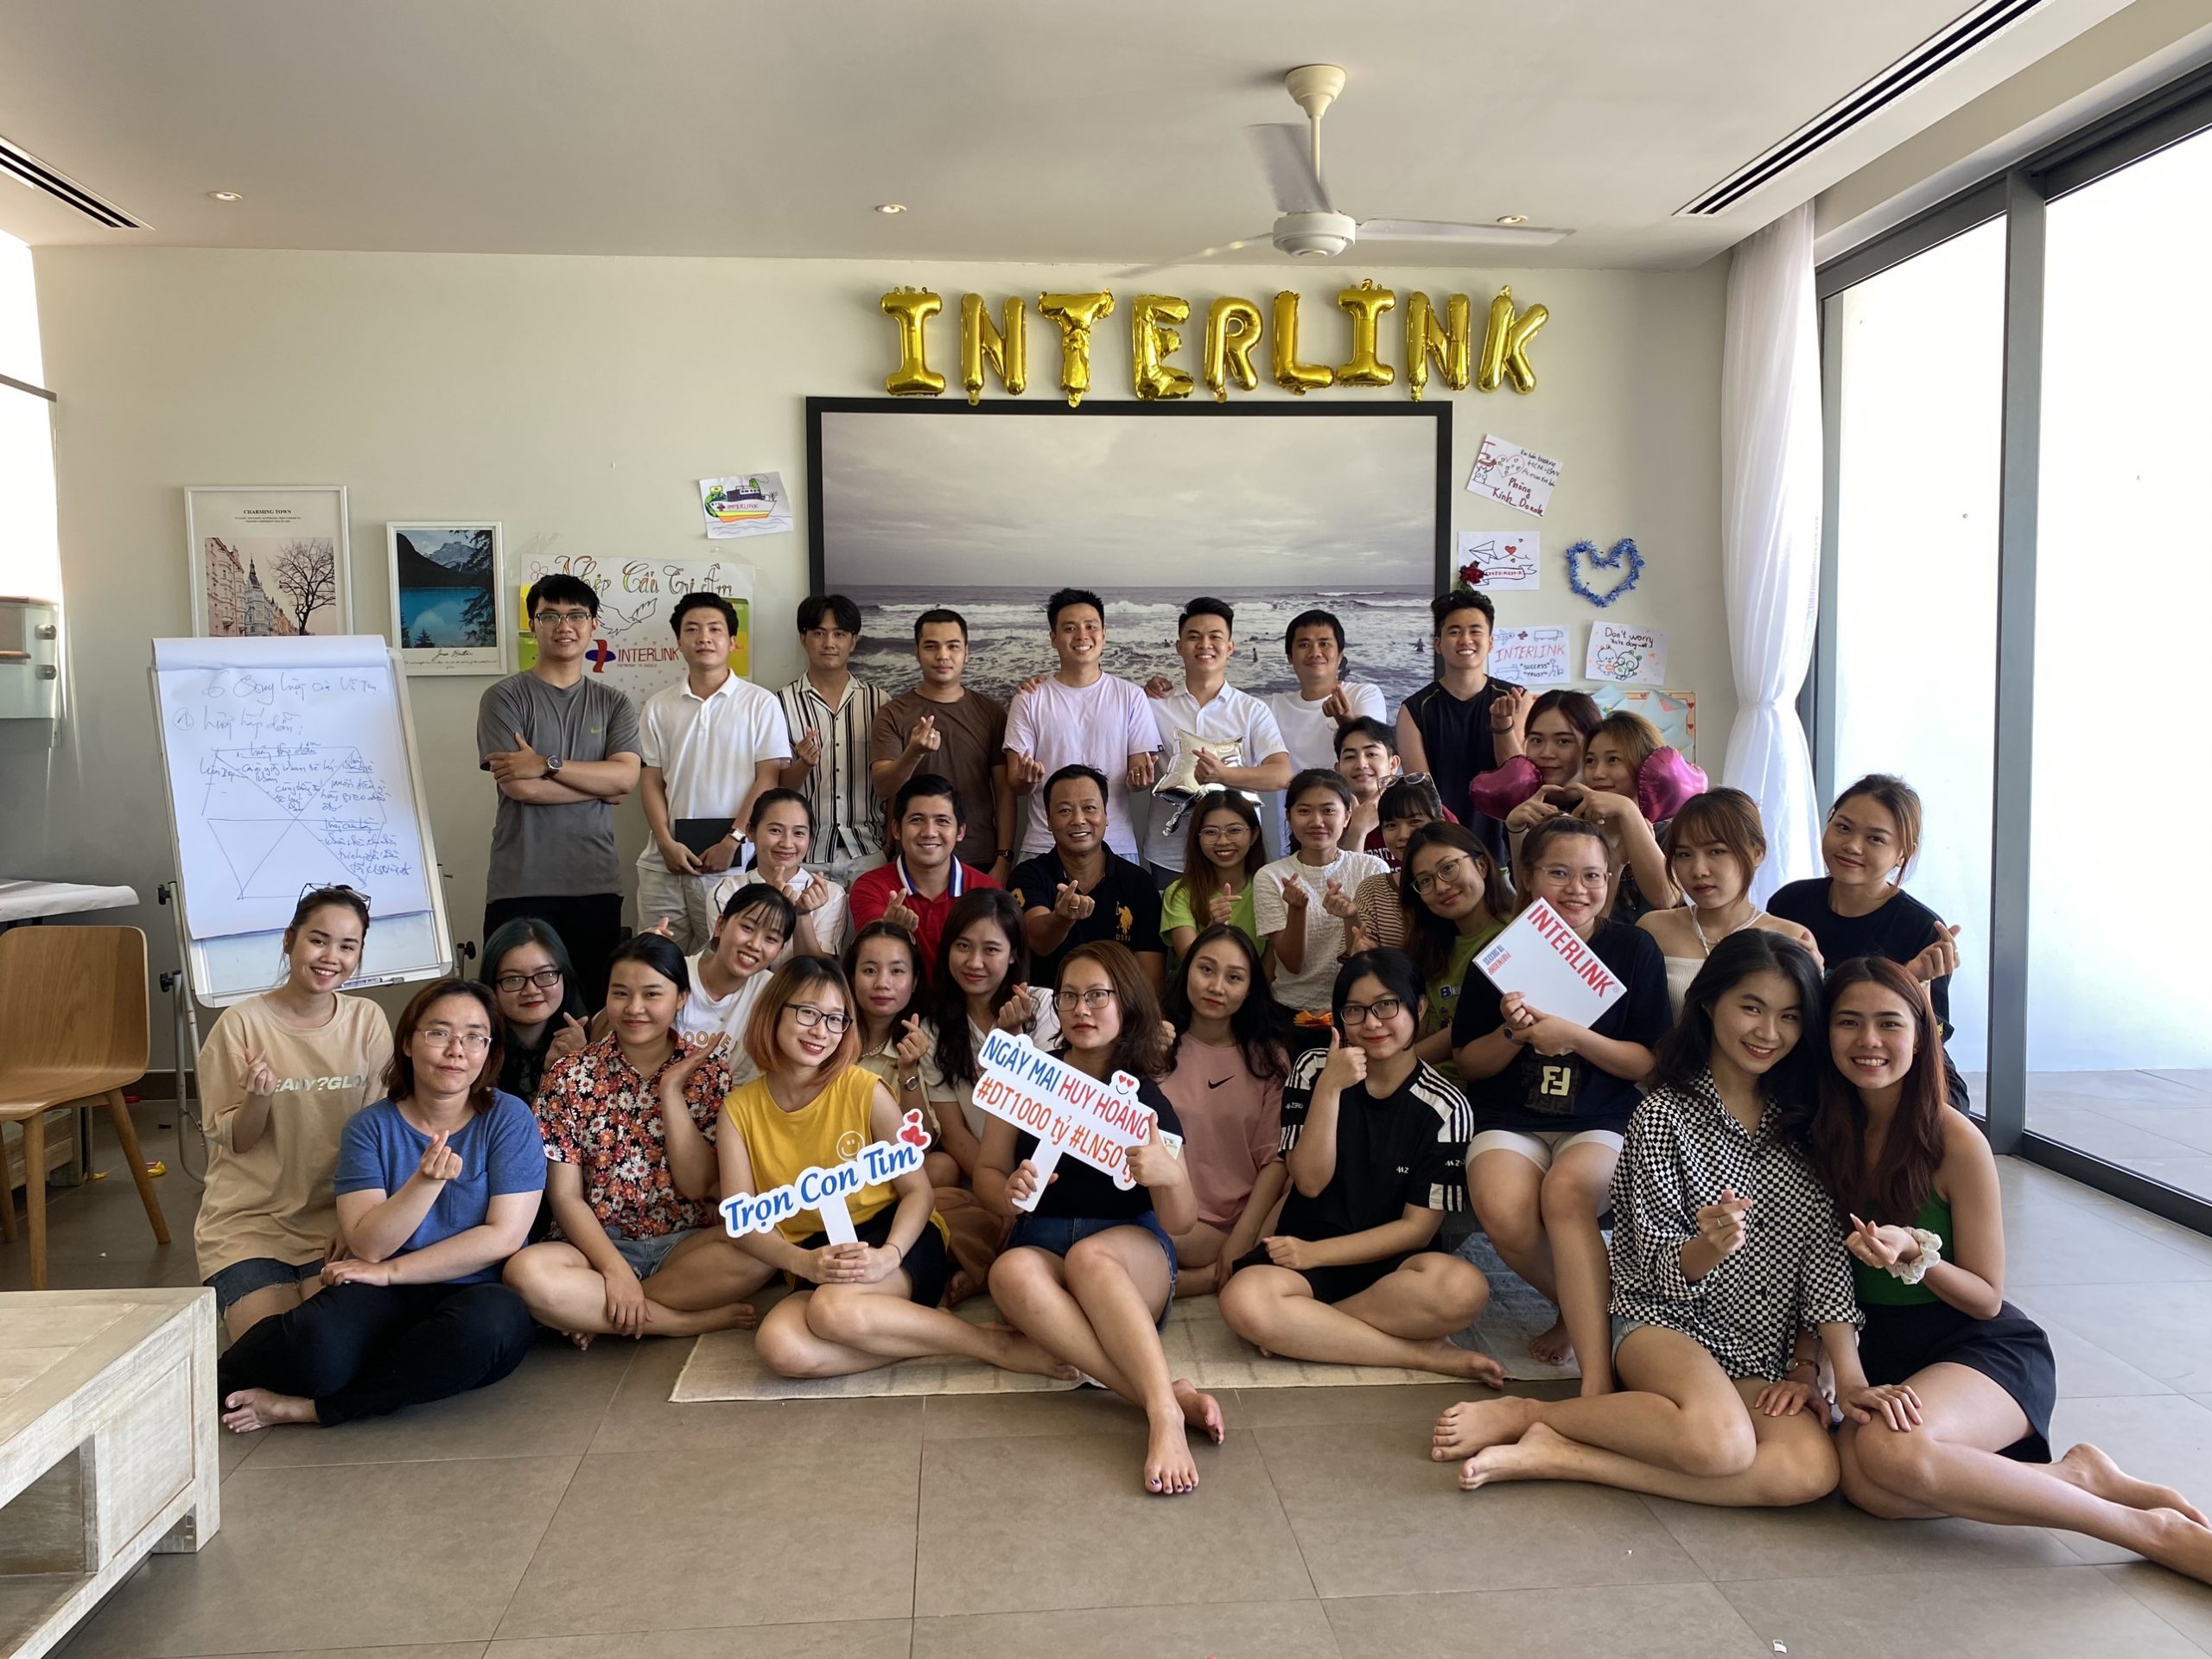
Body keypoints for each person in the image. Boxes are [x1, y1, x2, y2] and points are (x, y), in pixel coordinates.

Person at [1432, 931, 1900, 1505]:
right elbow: (1653, 1267)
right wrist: (1708, 1247)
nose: (1768, 1032)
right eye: (1751, 1007)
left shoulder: (1812, 1123)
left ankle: (1564, 1455)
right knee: (1720, 1445)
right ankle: (1531, 1413)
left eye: (1790, 1016)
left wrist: (1836, 1374)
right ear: (1710, 1003)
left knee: (1807, 1470)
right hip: (1665, 1324)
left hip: (1762, 1344)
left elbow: (1824, 1261)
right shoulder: (1661, 1115)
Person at [1809, 958, 2212, 1578]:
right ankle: (2076, 1476)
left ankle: (2150, 1533)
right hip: (1882, 1350)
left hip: (1978, 1347)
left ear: (1921, 1037)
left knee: (1889, 1456)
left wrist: (1917, 1255)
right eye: (1848, 1022)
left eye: (1889, 1023)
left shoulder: (1953, 1140)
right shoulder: (1819, 1134)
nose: (1869, 1041)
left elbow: (1986, 1298)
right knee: (1870, 1488)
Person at [719, 957, 1074, 1382]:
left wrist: (889, 1255)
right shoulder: (737, 1110)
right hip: (817, 1254)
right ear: (773, 1012)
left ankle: (988, 1345)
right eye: (808, 1013)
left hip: (898, 1237)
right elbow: (742, 1224)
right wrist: (804, 1263)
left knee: (831, 1311)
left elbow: (918, 1192)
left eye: (835, 1019)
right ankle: (919, 1334)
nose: (821, 1031)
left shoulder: (863, 1089)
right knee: (779, 1347)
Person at [216, 980, 543, 1432]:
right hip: (382, 1292)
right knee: (314, 1347)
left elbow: (504, 1236)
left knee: (489, 1329)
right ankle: (191, 1382)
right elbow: (369, 1244)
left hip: (473, 1292)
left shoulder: (509, 1118)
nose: (456, 1050)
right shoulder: (369, 1128)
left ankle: (313, 1410)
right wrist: (424, 1184)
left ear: (489, 1051)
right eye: (439, 1033)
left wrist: (392, 1272)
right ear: (407, 1042)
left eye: (475, 1037)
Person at [980, 944, 1223, 1496]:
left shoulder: (1145, 1099)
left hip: (1131, 1256)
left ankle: (1163, 1417)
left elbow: (1181, 1222)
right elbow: (988, 1175)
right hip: (1043, 1243)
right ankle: (1163, 1397)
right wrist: (1008, 1193)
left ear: (1125, 1004)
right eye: (1069, 996)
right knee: (1009, 1272)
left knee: (1092, 1259)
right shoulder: (1028, 1077)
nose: (1081, 1009)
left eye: (1097, 996)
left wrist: (1169, 1174)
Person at [1452, 817, 1669, 1386]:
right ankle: (1589, 1312)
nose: (1578, 889)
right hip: (1511, 1117)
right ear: (1528, 876)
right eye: (1559, 873)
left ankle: (1593, 1362)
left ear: (1610, 880)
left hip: (1602, 1117)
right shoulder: (1502, 952)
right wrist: (1512, 1033)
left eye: (1593, 875)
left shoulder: (1633, 947)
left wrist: (1573, 1036)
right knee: (1503, 1209)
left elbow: (1648, 1064)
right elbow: (1469, 1064)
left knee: (1566, 1193)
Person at [1218, 950, 1502, 1380]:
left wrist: (1315, 1255)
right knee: (1243, 1301)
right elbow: (1309, 1182)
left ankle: (1307, 1327)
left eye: (1386, 1005)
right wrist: (1330, 1089)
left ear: (1418, 1008)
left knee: (1465, 1290)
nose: (1371, 1023)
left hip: (1390, 1267)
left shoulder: (1447, 1106)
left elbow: (1416, 1230)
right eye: (1354, 1010)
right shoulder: (1314, 1068)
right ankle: (1421, 1355)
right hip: (1303, 1252)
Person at [505, 936, 765, 1344]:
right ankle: (678, 1322)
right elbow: (565, 1197)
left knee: (762, 1248)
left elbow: (699, 1185)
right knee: (525, 1274)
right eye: (621, 993)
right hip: (593, 1247)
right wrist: (614, 1270)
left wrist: (671, 1091)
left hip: (684, 1243)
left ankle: (598, 1313)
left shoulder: (709, 1072)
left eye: (652, 994)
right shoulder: (570, 1075)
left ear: (681, 998)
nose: (634, 1008)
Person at [194, 887, 393, 1342]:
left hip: (339, 1219)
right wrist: (258, 1098)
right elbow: (239, 1141)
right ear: (289, 940)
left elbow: (378, 1137)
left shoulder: (367, 1020)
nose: (331, 957)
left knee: (329, 1345)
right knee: (274, 1350)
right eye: (318, 940)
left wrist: (356, 1223)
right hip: (249, 1223)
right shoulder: (240, 1023)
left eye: (347, 946)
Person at [478, 574, 642, 1006]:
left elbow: (627, 779)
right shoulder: (504, 698)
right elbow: (521, 789)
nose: (563, 626)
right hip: (521, 884)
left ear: (593, 624)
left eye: (576, 615)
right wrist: (601, 787)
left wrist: (545, 764)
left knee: (592, 1012)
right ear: (533, 625)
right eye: (549, 615)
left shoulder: (614, 703)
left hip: (594, 882)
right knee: (513, 1011)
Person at [1769, 774, 1971, 1111]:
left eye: (1875, 838)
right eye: (1843, 828)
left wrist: (1911, 981)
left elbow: (1931, 1041)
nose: (1852, 845)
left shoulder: (1922, 930)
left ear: (1903, 853)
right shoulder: (1790, 903)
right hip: (1811, 1059)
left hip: (1889, 1071)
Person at [635, 591, 791, 952]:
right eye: (692, 629)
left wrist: (733, 840)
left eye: (714, 629)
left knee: (724, 961)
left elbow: (768, 779)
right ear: (679, 641)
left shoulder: (760, 703)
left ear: (733, 641)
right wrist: (665, 843)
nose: (703, 637)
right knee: (656, 961)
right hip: (665, 864)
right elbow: (651, 781)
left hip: (732, 865)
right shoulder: (658, 707)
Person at [1158, 925, 1293, 1295]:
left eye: (1234, 977)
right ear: (1186, 970)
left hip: (1239, 1222)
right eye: (1206, 969)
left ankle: (1224, 1265)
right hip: (1168, 1214)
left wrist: (1243, 1237)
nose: (1216, 987)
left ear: (1249, 989)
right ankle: (1210, 1278)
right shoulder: (1155, 1045)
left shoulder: (1269, 1058)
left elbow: (1274, 1161)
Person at [1139, 597, 1291, 884]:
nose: (1204, 644)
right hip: (1170, 855)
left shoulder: (1252, 710)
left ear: (1230, 647)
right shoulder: (1152, 705)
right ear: (1179, 646)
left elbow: (1281, 774)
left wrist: (1224, 775)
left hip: (1235, 853)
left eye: (1215, 637)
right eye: (1194, 637)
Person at [1004, 588, 1159, 862]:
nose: (1081, 636)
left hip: (1115, 845)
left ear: (1104, 634)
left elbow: (1138, 774)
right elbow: (1016, 782)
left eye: (1091, 626)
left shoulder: (1131, 696)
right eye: (1069, 628)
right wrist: (1026, 779)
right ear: (1053, 638)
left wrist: (1140, 780)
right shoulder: (1029, 698)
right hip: (1044, 846)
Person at [1639, 789, 1819, 1017]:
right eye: (1684, 854)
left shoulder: (1790, 937)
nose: (1698, 870)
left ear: (1756, 853)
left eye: (1716, 852)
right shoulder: (1653, 929)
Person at [925, 889, 1060, 1183]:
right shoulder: (933, 1028)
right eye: (963, 946)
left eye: (991, 950)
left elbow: (1052, 1107)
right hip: (984, 1179)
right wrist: (997, 1189)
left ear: (1013, 954)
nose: (974, 962)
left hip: (1047, 1176)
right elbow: (954, 1132)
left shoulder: (1044, 1006)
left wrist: (1015, 1041)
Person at [869, 607, 1014, 880]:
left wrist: (1004, 858)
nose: (942, 656)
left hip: (978, 857)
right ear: (917, 652)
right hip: (914, 857)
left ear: (966, 652)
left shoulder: (991, 712)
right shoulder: (893, 713)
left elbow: (1004, 792)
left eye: (953, 646)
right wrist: (914, 753)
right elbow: (883, 787)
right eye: (931, 646)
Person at [1011, 763, 1166, 991]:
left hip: (1118, 1007)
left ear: (1106, 816)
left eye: (1089, 808)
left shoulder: (1137, 882)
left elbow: (1151, 978)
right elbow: (1038, 941)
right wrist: (1061, 919)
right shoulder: (1028, 875)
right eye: (1065, 811)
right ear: (1049, 821)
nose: (1078, 820)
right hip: (1047, 1005)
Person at [1396, 590, 1521, 870]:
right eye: (1454, 632)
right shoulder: (1414, 709)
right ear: (1438, 644)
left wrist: (1503, 726)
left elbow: (1518, 781)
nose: (1465, 640)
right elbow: (1423, 794)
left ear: (1490, 642)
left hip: (1506, 848)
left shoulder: (1515, 698)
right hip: (1443, 850)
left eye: (1475, 631)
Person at [1253, 769, 1388, 1017]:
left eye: (1328, 810)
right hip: (1293, 1011)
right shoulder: (1270, 876)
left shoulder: (1372, 868)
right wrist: (1297, 910)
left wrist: (1350, 917)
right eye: (1304, 811)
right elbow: (1292, 965)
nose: (1317, 822)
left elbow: (1372, 958)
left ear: (1347, 817)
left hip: (1361, 1007)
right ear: (1289, 816)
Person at [778, 594, 887, 885]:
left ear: (854, 641)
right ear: (803, 638)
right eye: (819, 633)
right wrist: (803, 764)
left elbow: (889, 782)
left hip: (868, 851)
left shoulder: (879, 702)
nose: (829, 643)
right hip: (804, 854)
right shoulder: (780, 704)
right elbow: (776, 788)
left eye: (839, 634)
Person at [849, 772, 1000, 973]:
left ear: (960, 831)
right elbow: (870, 959)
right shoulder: (870, 886)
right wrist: (887, 931)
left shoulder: (986, 890)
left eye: (942, 821)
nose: (929, 832)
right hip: (897, 993)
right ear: (896, 830)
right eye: (917, 820)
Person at [1265, 609, 1388, 853]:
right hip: (1303, 824)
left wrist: (1346, 721)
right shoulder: (1273, 706)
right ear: (1290, 656)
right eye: (1304, 644)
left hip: (1355, 817)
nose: (1315, 652)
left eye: (1324, 644)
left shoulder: (1364, 694)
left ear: (1340, 655)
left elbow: (1372, 746)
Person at [1391, 821, 1508, 1070]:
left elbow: (1471, 1026)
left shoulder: (1515, 934)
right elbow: (1425, 1028)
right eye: (1425, 880)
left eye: (1448, 868)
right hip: (1430, 1080)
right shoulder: (1430, 947)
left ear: (1481, 865)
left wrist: (1393, 1066)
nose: (1441, 887)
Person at [713, 788, 850, 963]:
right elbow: (729, 963)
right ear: (751, 832)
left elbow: (818, 972)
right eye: (775, 830)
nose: (787, 843)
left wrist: (802, 916)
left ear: (810, 839)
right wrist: (770, 902)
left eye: (799, 833)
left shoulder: (831, 894)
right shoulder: (726, 891)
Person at [674, 885, 797, 1075]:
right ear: (720, 925)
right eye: (748, 928)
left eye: (771, 939)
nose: (755, 945)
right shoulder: (673, 974)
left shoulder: (772, 993)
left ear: (780, 950)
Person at [477, 918, 590, 1104]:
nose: (531, 990)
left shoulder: (589, 1042)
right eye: (513, 979)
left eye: (545, 974)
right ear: (492, 985)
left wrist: (579, 1066)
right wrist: (550, 1076)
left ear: (565, 977)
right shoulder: (475, 1051)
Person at [1160, 790, 1266, 961]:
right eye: (1210, 832)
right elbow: (1190, 961)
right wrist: (1213, 928)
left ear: (1253, 835)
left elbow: (1272, 965)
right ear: (1197, 838)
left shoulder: (1268, 888)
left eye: (1234, 830)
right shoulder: (1179, 893)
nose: (1223, 841)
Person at [1469, 689, 1601, 820]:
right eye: (1537, 740)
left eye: (1563, 741)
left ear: (1592, 744)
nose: (1546, 753)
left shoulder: (1604, 807)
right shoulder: (1520, 808)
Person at [1351, 775, 1449, 951]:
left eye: (1414, 822)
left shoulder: (1458, 881)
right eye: (1391, 825)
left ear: (1440, 822)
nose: (1403, 835)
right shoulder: (1372, 891)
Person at [1333, 716, 1403, 858]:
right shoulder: (1329, 819)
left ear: (1393, 765)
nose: (1361, 764)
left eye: (1371, 754)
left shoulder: (1421, 808)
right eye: (1350, 757)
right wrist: (1357, 832)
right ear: (1338, 769)